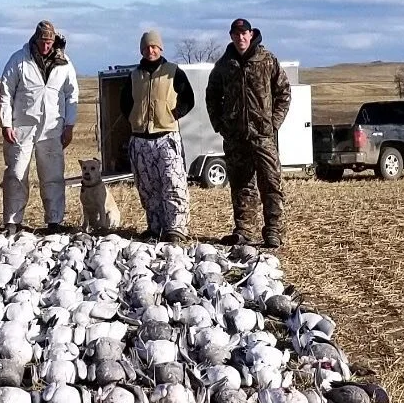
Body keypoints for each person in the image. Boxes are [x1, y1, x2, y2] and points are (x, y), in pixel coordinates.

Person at [205, 17, 292, 248]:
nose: (240, 38)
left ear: (251, 34)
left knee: (271, 182)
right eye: (236, 34)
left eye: (244, 34)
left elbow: (283, 91)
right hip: (235, 137)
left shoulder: (267, 60)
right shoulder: (225, 65)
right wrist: (220, 124)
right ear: (231, 36)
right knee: (241, 185)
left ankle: (273, 230)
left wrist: (273, 122)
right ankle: (244, 230)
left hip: (263, 136)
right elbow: (212, 95)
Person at [0, 19, 79, 235]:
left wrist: (69, 124)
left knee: (53, 175)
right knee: (16, 173)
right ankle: (12, 222)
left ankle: (54, 221)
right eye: (43, 40)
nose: (46, 45)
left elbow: (72, 95)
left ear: (54, 41)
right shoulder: (19, 60)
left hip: (53, 127)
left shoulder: (65, 63)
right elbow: (5, 93)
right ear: (35, 39)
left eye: (49, 41)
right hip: (21, 127)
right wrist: (6, 123)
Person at [118, 29, 195, 242]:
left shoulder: (173, 71)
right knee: (147, 187)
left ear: (160, 48)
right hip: (141, 139)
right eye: (146, 47)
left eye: (154, 46)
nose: (150, 50)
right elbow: (125, 102)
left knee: (173, 182)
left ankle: (176, 229)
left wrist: (175, 113)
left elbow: (188, 98)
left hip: (166, 137)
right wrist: (134, 118)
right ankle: (155, 227)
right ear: (141, 50)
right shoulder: (134, 75)